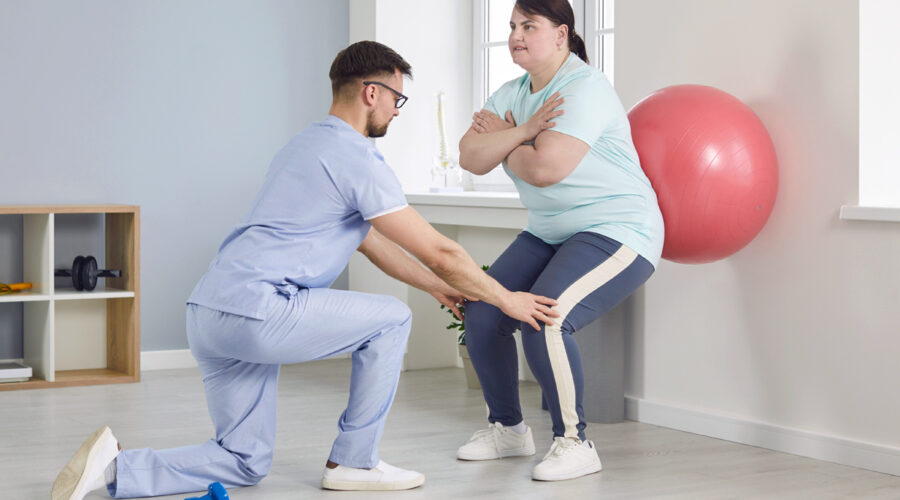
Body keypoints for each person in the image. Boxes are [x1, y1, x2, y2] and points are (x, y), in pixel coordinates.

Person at [51, 40, 558, 500]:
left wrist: (436, 289)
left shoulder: (304, 146)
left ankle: (117, 471)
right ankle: (355, 461)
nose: (397, 112)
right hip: (259, 309)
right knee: (391, 320)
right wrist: (504, 298)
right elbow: (441, 251)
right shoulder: (356, 157)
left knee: (243, 459)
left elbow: (368, 240)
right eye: (397, 100)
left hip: (209, 312)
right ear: (370, 93)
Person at [456, 0, 665, 482]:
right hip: (550, 231)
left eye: (529, 25)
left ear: (561, 34)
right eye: (511, 26)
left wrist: (504, 139)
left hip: (617, 229)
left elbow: (548, 170)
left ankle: (574, 442)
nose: (515, 35)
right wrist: (526, 132)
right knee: (485, 310)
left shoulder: (583, 87)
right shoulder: (513, 92)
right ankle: (508, 429)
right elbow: (470, 157)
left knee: (546, 320)